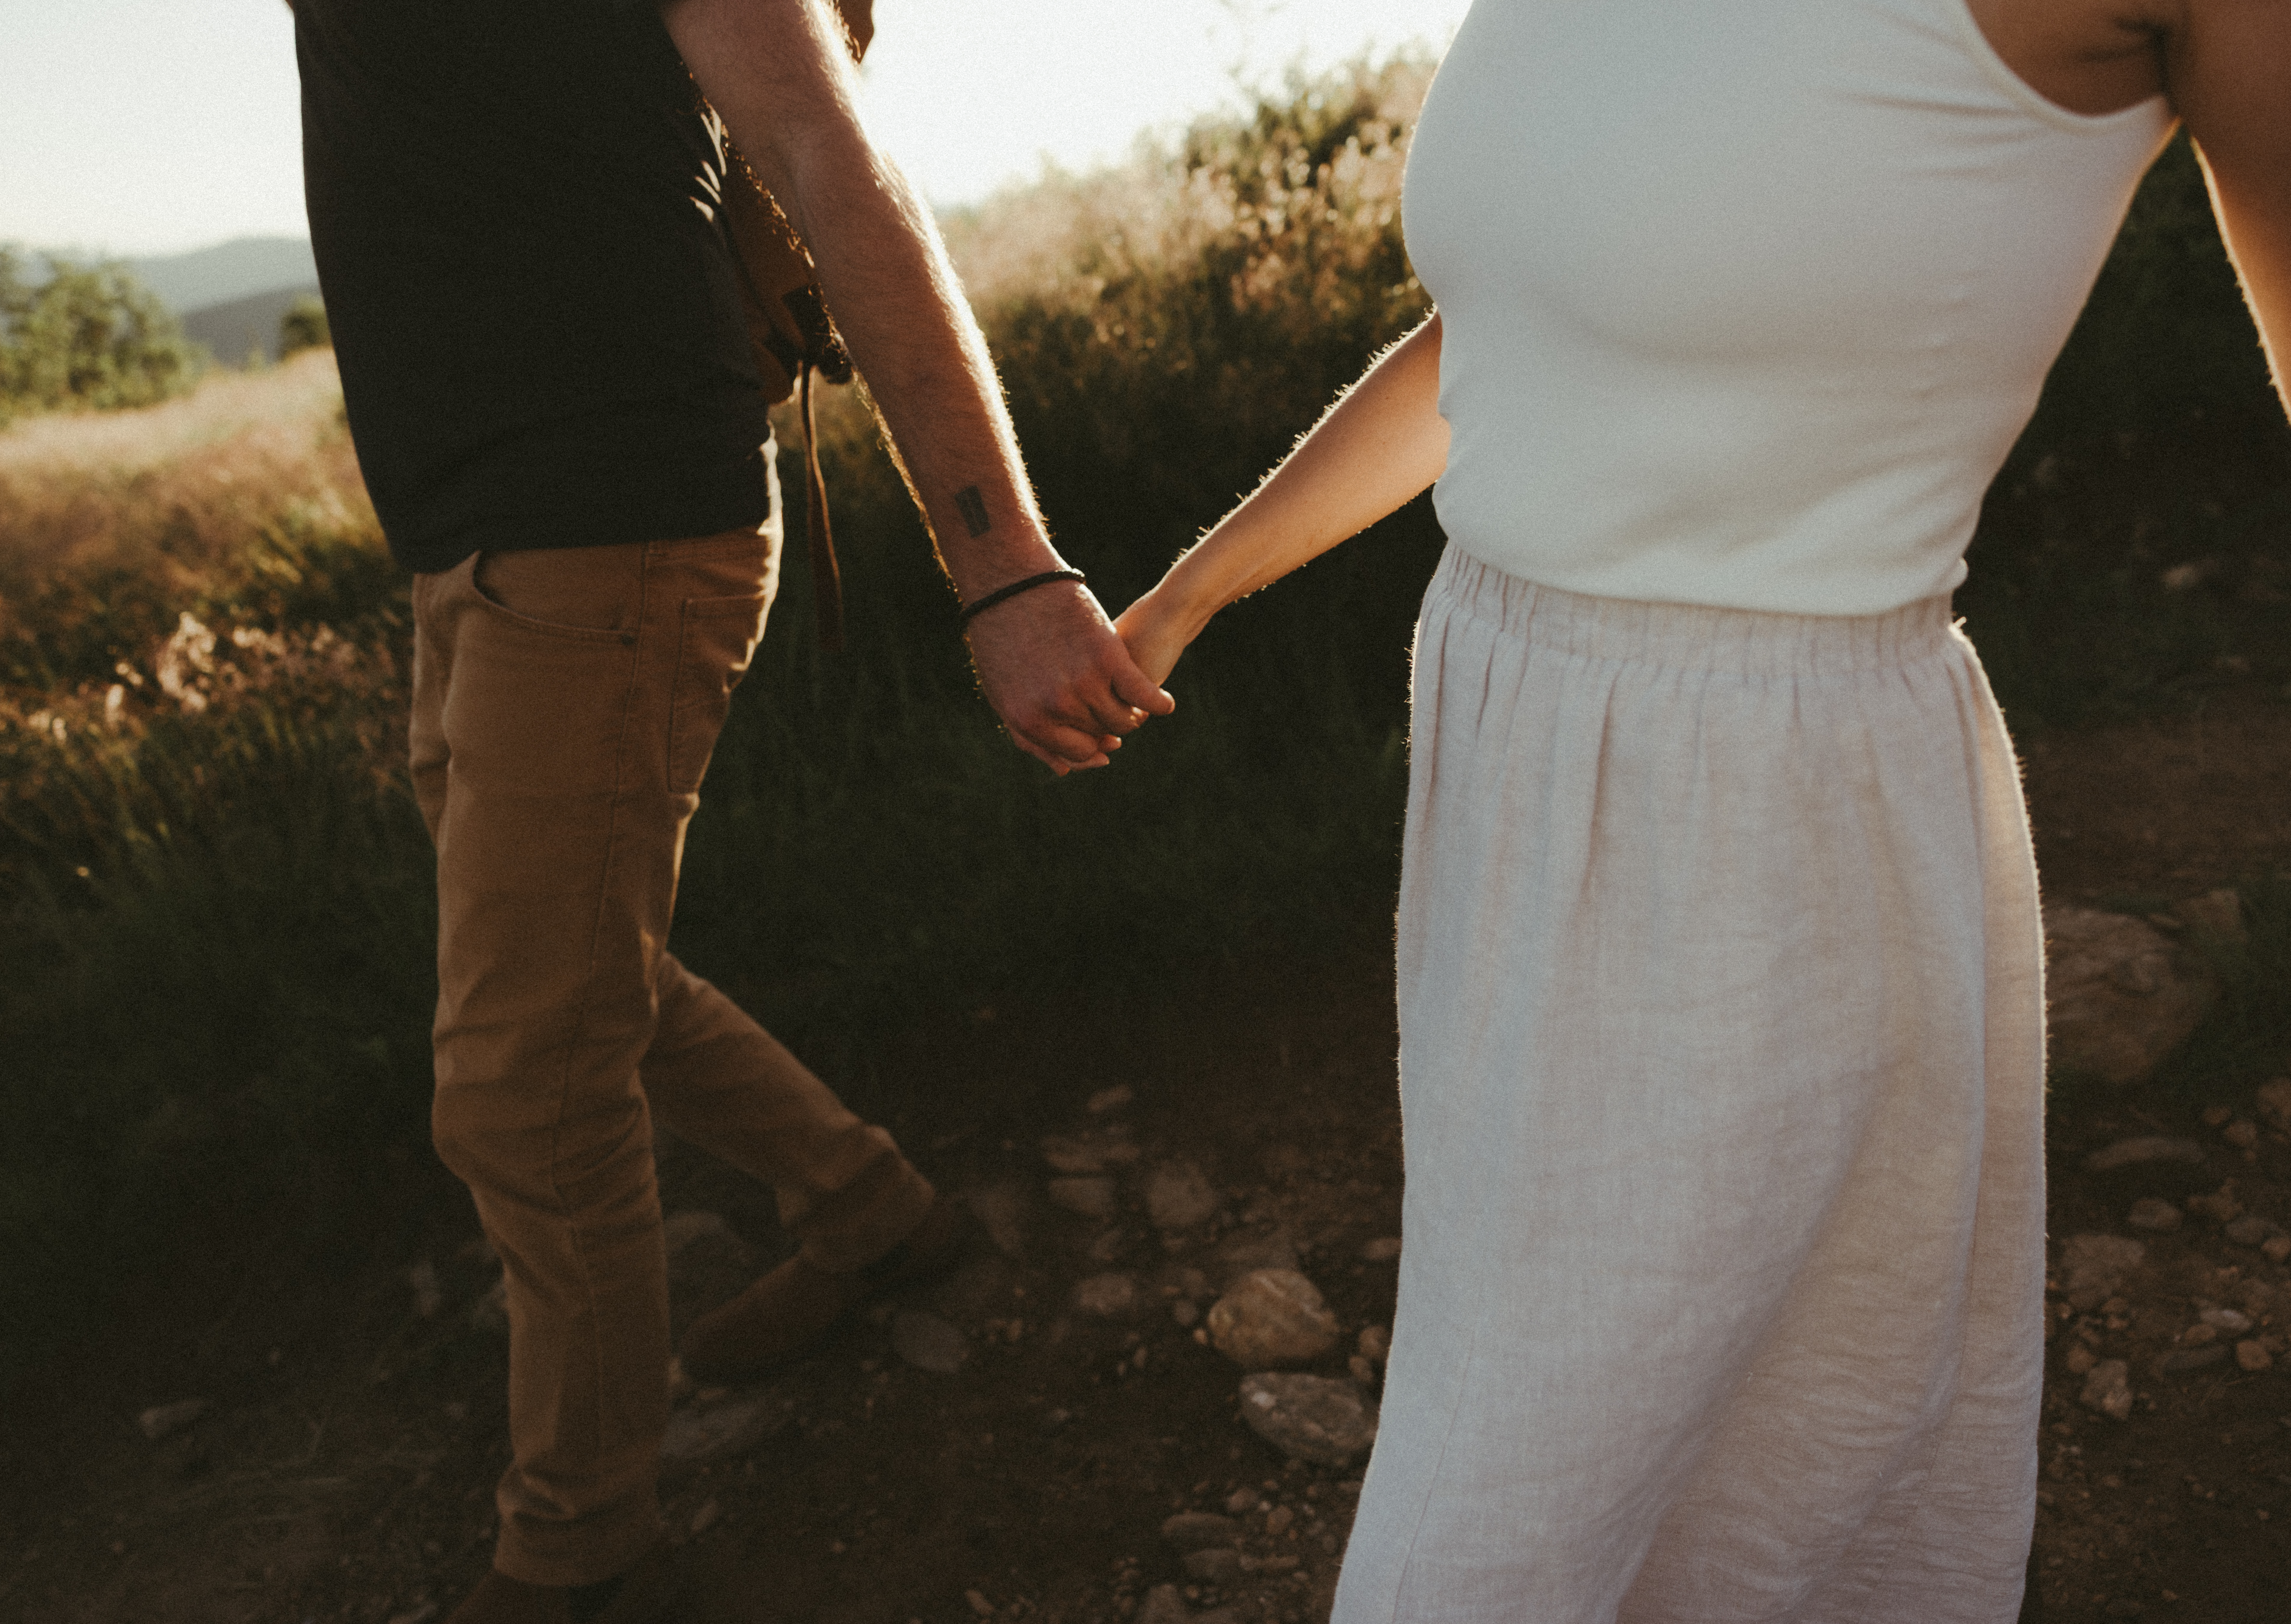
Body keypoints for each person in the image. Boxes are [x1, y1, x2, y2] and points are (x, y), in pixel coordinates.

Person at [1115, 1, 2287, 1617]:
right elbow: (1510, 333)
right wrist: (1189, 595)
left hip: (1774, 812)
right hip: (1514, 750)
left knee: (1625, 1492)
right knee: (1609, 1427)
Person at [288, 1, 1172, 1620]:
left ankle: (581, 1551)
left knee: (516, 1085)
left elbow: (829, 157)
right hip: (468, 540)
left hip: (612, 520)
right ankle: (867, 1206)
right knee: (561, 987)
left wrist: (1008, 567)